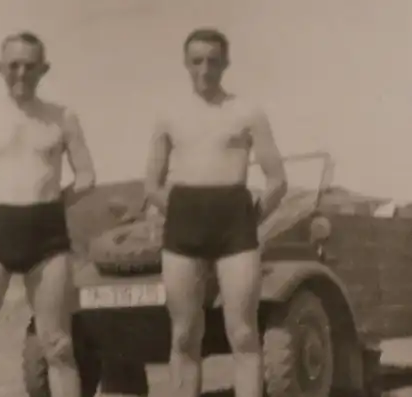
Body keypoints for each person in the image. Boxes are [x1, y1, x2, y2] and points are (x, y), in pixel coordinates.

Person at [0, 31, 96, 397]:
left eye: (30, 66)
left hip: (47, 236)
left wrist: (57, 202)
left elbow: (87, 177)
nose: (21, 73)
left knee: (58, 346)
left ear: (44, 69)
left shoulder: (62, 117)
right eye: (13, 65)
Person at [144, 28, 287, 397]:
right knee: (185, 334)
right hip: (184, 226)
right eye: (196, 61)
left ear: (225, 63)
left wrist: (248, 219)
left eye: (212, 60)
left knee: (242, 332)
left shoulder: (247, 111)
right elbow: (151, 185)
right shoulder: (168, 114)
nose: (205, 69)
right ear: (185, 63)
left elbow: (277, 180)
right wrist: (176, 211)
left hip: (235, 225)